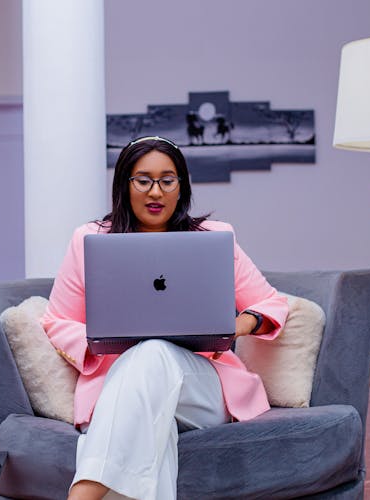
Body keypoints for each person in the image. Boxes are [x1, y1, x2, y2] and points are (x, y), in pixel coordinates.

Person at [40, 136, 289, 500]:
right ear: (124, 185)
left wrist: (243, 323)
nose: (155, 191)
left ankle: (84, 494)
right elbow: (57, 321)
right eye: (143, 180)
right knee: (154, 428)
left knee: (154, 352)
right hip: (122, 382)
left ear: (181, 186)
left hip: (202, 387)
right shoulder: (89, 240)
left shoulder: (214, 238)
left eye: (167, 180)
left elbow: (271, 302)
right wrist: (98, 342)